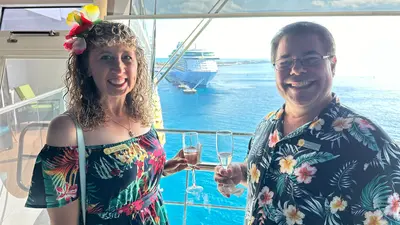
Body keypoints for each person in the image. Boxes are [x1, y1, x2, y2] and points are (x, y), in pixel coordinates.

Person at [214, 21, 400, 225]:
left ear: (333, 65)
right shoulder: (266, 125)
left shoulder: (369, 142)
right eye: (285, 62)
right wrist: (241, 172)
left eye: (310, 59)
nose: (296, 69)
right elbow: (267, 174)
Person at [25, 4, 188, 225]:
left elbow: (128, 179)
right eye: (106, 57)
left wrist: (163, 169)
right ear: (87, 68)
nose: (119, 67)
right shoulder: (68, 130)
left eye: (126, 57)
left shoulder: (140, 115)